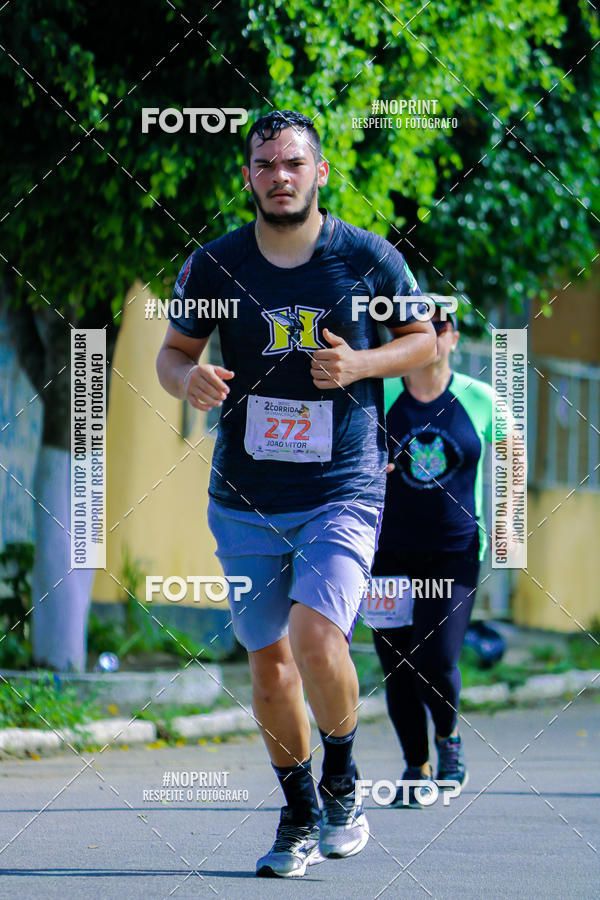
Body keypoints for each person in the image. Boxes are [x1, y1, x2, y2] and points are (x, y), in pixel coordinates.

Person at [156, 109, 436, 876]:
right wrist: (191, 380)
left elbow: (418, 339)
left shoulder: (368, 260)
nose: (279, 176)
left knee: (318, 638)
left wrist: (360, 367)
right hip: (244, 497)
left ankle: (341, 775)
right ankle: (299, 809)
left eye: (293, 163)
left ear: (319, 172)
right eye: (265, 164)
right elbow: (173, 353)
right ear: (248, 176)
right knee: (269, 665)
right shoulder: (214, 267)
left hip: (342, 487)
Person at [367, 302, 505, 807]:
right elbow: (342, 454)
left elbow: (513, 460)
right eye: (413, 328)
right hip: (385, 553)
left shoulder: (481, 398)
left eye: (436, 327)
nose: (427, 335)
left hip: (454, 553)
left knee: (437, 656)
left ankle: (448, 738)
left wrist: (509, 536)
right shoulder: (378, 395)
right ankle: (414, 766)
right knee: (396, 661)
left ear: (451, 337)